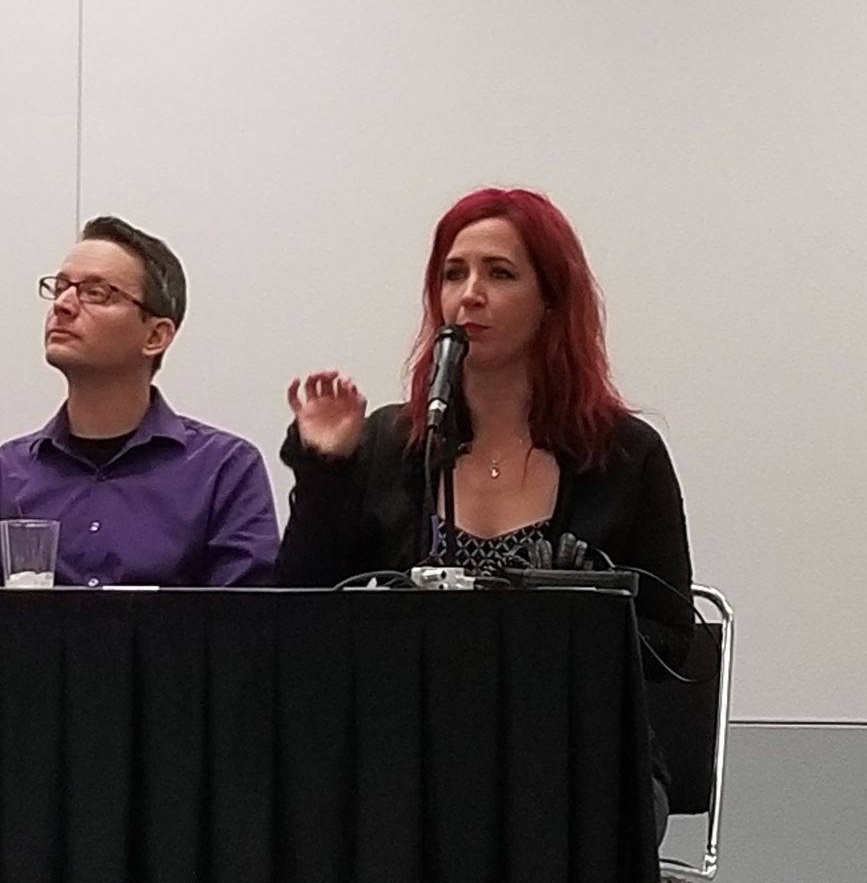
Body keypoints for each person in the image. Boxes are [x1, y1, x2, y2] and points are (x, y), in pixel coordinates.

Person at [274, 187, 694, 836]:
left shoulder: (623, 455)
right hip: (408, 751)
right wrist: (325, 470)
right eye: (453, 274)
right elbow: (303, 607)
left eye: (499, 274)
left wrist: (581, 609)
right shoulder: (394, 443)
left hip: (579, 755)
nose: (469, 294)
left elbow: (672, 641)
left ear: (552, 300)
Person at [0, 216, 278, 587]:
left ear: (156, 336)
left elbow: (244, 631)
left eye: (96, 292)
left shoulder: (224, 470)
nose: (63, 305)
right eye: (61, 288)